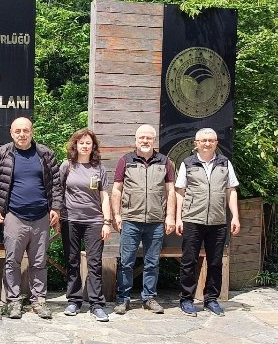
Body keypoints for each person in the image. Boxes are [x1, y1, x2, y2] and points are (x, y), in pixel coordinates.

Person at [0, 117, 60, 320]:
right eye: (18, 131)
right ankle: (13, 301)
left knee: (39, 262)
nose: (22, 134)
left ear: (32, 132)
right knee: (12, 261)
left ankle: (39, 300)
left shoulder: (45, 154)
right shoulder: (2, 153)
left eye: (26, 130)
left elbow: (56, 183)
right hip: (14, 215)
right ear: (11, 133)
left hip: (41, 216)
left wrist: (56, 208)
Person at [175, 128, 240, 317]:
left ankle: (211, 299)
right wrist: (178, 218)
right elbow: (180, 192)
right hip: (192, 219)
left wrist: (235, 216)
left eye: (211, 140)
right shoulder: (187, 163)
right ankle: (186, 300)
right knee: (188, 261)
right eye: (203, 140)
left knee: (215, 262)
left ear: (216, 143)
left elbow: (231, 191)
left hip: (218, 221)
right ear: (196, 143)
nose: (207, 143)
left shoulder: (225, 163)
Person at [112, 124, 176, 315]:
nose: (145, 141)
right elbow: (117, 190)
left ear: (154, 140)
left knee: (152, 262)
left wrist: (170, 216)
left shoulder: (165, 161)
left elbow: (171, 191)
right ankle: (123, 299)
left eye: (149, 138)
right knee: (126, 262)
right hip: (130, 219)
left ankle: (149, 298)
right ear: (136, 140)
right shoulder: (125, 160)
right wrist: (117, 215)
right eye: (142, 138)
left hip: (156, 221)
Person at [59, 129, 112, 322]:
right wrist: (57, 217)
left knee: (94, 262)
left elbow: (104, 197)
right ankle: (74, 300)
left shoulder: (99, 168)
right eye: (81, 142)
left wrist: (107, 222)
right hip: (70, 220)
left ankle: (96, 304)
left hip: (94, 221)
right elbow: (58, 192)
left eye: (88, 143)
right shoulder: (67, 166)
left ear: (93, 146)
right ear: (75, 145)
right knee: (72, 260)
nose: (85, 146)